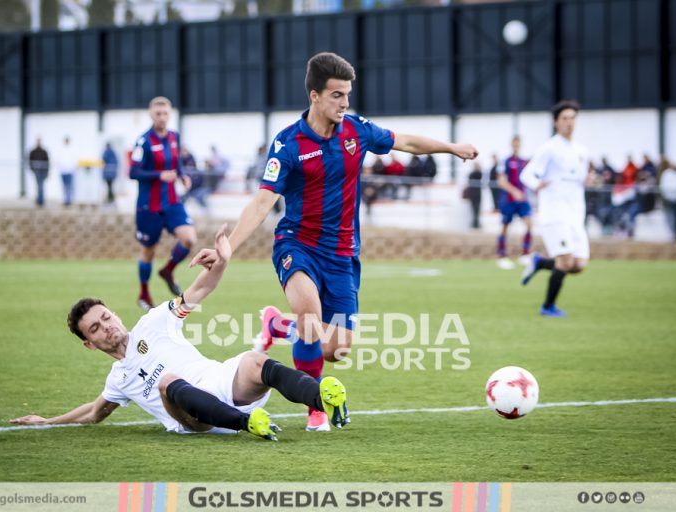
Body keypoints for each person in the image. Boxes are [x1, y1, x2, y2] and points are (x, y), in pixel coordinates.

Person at [191, 52, 478, 431]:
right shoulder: (288, 143)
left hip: (342, 254)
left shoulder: (356, 130)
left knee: (338, 349)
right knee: (311, 320)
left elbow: (405, 142)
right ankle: (315, 406)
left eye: (347, 95)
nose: (344, 103)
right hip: (297, 245)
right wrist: (229, 248)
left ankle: (278, 326)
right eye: (337, 95)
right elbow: (263, 202)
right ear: (314, 96)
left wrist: (451, 147)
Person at [9, 225, 349, 440]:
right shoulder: (119, 377)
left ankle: (323, 398)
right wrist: (47, 421)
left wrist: (222, 262)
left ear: (114, 313)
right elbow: (93, 414)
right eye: (96, 328)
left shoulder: (154, 321)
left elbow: (198, 291)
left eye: (106, 316)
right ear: (89, 343)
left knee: (255, 361)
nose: (107, 326)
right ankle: (248, 425)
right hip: (193, 419)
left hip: (220, 383)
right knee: (167, 382)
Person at [520, 100, 590, 317]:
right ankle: (548, 306)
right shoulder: (549, 147)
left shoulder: (581, 150)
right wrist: (537, 184)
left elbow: (580, 180)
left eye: (572, 118)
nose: (569, 123)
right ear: (556, 122)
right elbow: (527, 175)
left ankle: (539, 262)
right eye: (565, 119)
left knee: (579, 265)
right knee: (565, 261)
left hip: (575, 214)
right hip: (555, 213)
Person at [130, 96, 197, 311]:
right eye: (158, 113)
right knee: (149, 251)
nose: (162, 117)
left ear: (170, 114)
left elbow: (176, 164)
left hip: (171, 202)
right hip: (149, 206)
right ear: (151, 115)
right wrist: (160, 175)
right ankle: (144, 293)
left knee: (189, 238)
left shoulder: (174, 137)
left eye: (165, 113)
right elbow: (133, 172)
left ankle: (168, 270)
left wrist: (182, 175)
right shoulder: (143, 141)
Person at [495, 135, 532, 269]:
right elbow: (501, 181)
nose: (516, 145)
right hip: (509, 200)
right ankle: (502, 256)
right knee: (505, 226)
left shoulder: (524, 162)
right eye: (514, 143)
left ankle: (525, 254)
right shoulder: (505, 161)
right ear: (511, 144)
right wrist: (513, 191)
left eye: (518, 143)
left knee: (529, 223)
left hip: (522, 199)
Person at [28, 138, 49, 207]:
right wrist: (32, 169)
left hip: (43, 170)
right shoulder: (33, 151)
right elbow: (30, 160)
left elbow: (47, 162)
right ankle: (40, 200)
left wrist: (47, 171)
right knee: (39, 185)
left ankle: (40, 200)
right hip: (37, 170)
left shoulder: (44, 151)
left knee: (41, 185)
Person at [59, 136, 77, 207]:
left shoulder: (71, 150)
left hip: (69, 171)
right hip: (63, 171)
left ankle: (68, 200)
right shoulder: (61, 150)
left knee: (69, 186)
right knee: (65, 186)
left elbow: (74, 160)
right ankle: (66, 200)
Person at [466, 161, 483, 229]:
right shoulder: (473, 173)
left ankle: (476, 223)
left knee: (477, 210)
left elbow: (478, 175)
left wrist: (478, 168)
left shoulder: (478, 173)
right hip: (473, 194)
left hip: (477, 194)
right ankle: (475, 223)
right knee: (473, 209)